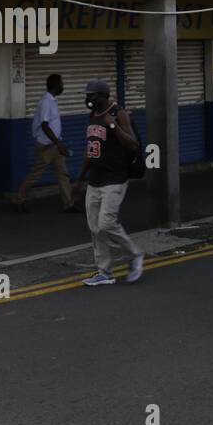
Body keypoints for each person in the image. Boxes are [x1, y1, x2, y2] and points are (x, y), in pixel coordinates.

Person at [73, 79, 143, 286]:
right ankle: (104, 272)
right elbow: (91, 149)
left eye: (91, 95)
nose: (88, 99)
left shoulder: (118, 113)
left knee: (106, 223)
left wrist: (112, 125)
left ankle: (135, 254)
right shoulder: (92, 115)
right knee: (95, 228)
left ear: (103, 95)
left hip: (115, 179)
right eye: (87, 95)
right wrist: (79, 180)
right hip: (95, 180)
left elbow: (133, 144)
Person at [13, 74, 77, 213]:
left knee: (62, 174)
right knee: (36, 173)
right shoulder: (46, 102)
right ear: (55, 85)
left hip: (54, 144)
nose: (62, 86)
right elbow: (45, 125)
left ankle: (69, 204)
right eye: (61, 83)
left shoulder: (52, 101)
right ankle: (18, 199)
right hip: (48, 145)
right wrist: (58, 143)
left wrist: (58, 143)